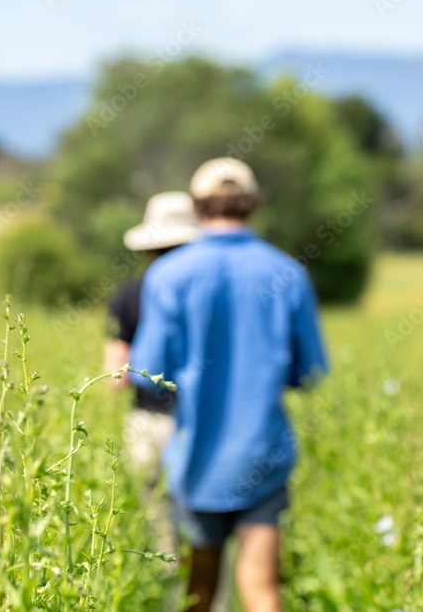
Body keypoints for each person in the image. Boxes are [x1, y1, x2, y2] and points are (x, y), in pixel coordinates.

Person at [130, 158, 328, 612]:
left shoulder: (168, 275)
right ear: (254, 204)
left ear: (198, 207)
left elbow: (148, 370)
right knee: (261, 587)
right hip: (265, 453)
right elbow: (308, 371)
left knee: (200, 590)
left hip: (197, 458)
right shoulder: (288, 273)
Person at [102, 191, 200, 552]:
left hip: (145, 421)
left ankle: (170, 591)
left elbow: (115, 373)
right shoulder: (204, 292)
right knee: (197, 523)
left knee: (157, 523)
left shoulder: (128, 294)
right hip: (196, 420)